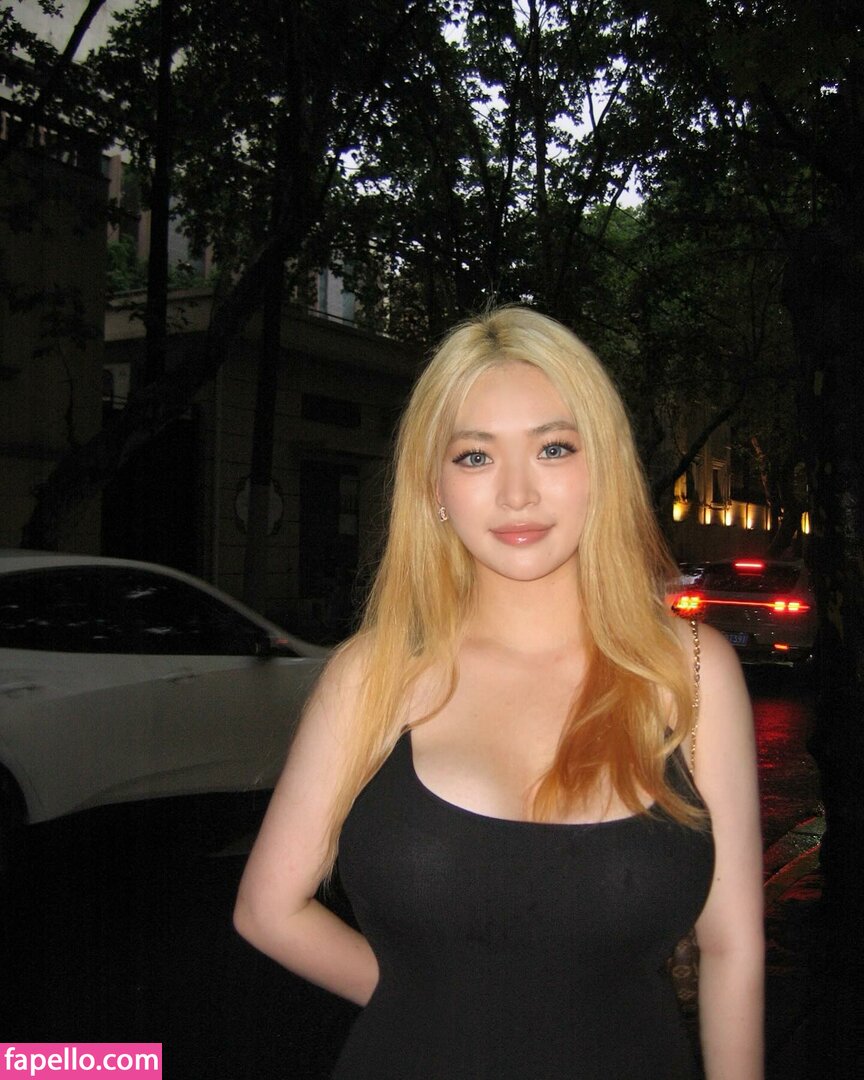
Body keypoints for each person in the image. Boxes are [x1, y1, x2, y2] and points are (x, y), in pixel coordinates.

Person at [234, 306, 764, 1079]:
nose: (517, 494)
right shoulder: (375, 673)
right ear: (435, 487)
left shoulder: (689, 669)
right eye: (476, 456)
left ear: (603, 468)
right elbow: (268, 910)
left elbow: (731, 946)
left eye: (553, 448)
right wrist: (439, 1010)